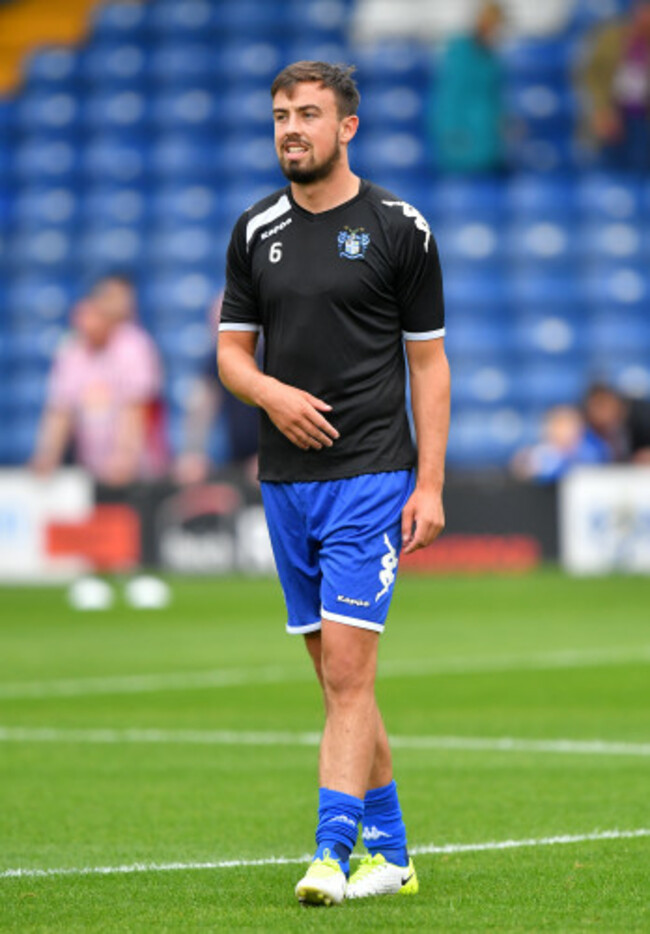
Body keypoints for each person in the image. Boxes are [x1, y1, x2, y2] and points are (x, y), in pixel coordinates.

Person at [217, 61, 450, 906]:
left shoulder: (400, 228)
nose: (291, 128)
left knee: (349, 676)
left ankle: (330, 854)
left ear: (347, 127)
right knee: (336, 680)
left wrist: (428, 483)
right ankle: (393, 854)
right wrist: (270, 392)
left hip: (372, 476)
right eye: (281, 114)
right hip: (286, 483)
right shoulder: (253, 230)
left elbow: (429, 365)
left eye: (308, 114)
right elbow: (231, 355)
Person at [31, 275, 168, 486]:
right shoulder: (71, 350)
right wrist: (47, 455)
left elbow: (136, 407)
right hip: (92, 471)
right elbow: (60, 410)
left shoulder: (134, 346)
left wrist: (125, 455)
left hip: (139, 471)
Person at [174, 294, 258, 486]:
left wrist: (272, 457)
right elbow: (201, 409)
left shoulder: (272, 359)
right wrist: (193, 453)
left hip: (273, 460)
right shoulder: (216, 360)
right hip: (237, 459)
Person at [429, 1, 506, 174]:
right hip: (463, 147)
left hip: (488, 146)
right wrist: (454, 141)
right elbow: (450, 101)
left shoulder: (491, 58)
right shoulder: (460, 54)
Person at [576, 0, 650, 172]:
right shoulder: (611, 37)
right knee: (611, 170)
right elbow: (591, 75)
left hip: (643, 120)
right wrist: (601, 109)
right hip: (613, 115)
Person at [510, 404, 610, 482]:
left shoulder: (592, 450)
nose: (563, 431)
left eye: (568, 425)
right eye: (558, 425)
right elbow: (523, 470)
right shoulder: (541, 453)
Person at [583, 382, 650, 464]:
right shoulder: (582, 430)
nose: (602, 413)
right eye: (596, 406)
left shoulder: (641, 421)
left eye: (605, 405)